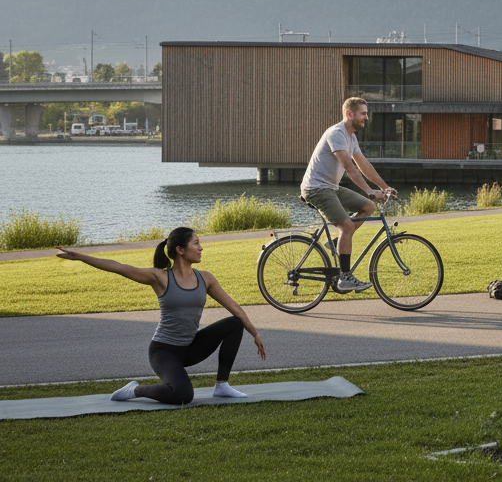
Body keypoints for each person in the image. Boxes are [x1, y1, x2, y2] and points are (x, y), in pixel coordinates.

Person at [55, 228, 266, 404]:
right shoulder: (161, 278)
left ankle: (222, 385)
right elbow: (119, 268)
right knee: (183, 395)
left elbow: (234, 308)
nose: (201, 248)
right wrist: (80, 257)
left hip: (191, 347)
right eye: (196, 243)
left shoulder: (206, 278)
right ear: (180, 250)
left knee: (235, 323)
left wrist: (254, 333)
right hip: (164, 352)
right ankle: (135, 391)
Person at [300, 97, 397, 293]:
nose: (366, 118)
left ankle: (337, 243)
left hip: (331, 188)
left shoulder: (351, 137)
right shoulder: (337, 133)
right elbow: (349, 167)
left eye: (366, 114)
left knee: (368, 207)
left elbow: (363, 165)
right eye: (363, 113)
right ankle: (345, 278)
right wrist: (369, 191)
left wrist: (384, 187)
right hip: (316, 188)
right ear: (349, 114)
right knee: (346, 226)